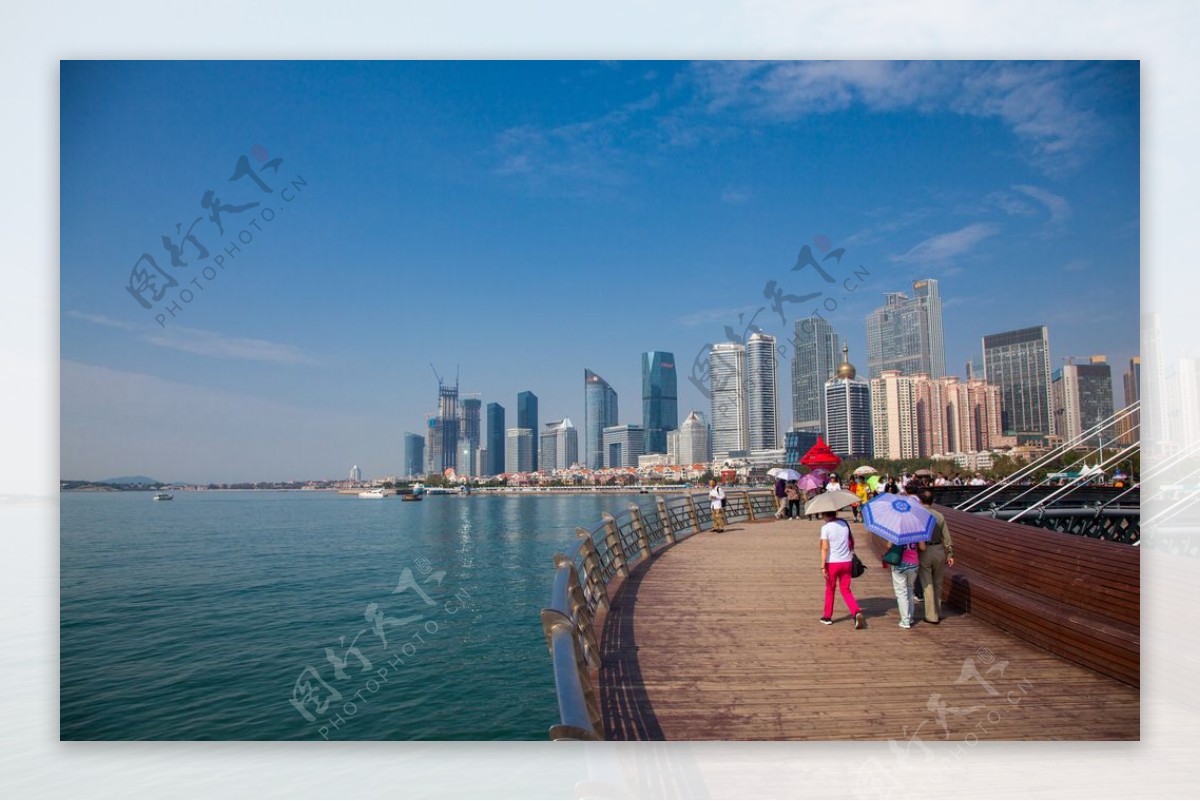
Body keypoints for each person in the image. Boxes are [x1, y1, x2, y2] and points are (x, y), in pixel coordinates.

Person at [819, 511, 865, 628]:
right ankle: (856, 612)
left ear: (825, 515)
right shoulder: (844, 524)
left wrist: (822, 565)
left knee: (830, 589)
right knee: (846, 590)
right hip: (847, 561)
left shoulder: (826, 528)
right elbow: (851, 541)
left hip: (832, 563)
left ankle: (827, 616)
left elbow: (824, 548)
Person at [917, 488, 955, 624]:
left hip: (924, 551)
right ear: (932, 501)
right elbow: (947, 537)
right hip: (939, 549)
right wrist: (950, 553)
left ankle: (931, 615)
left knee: (927, 583)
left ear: (920, 500)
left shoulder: (917, 514)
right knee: (938, 582)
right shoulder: (939, 516)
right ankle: (938, 611)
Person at [886, 540, 926, 628]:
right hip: (913, 564)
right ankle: (910, 617)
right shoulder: (916, 530)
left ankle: (905, 620)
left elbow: (888, 546)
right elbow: (923, 547)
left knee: (901, 592)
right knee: (910, 589)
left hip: (899, 564)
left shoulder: (897, 530)